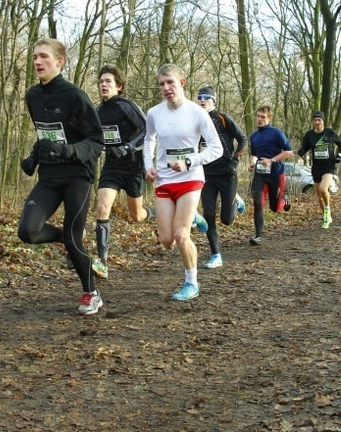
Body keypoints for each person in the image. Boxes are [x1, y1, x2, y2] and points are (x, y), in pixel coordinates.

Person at [17, 38, 105, 315]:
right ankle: (66, 240)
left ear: (60, 61)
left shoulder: (75, 96)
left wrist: (68, 151)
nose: (37, 62)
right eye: (34, 58)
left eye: (43, 56)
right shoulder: (32, 96)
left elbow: (97, 141)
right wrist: (34, 157)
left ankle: (91, 293)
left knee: (74, 236)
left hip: (78, 175)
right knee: (27, 231)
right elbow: (46, 134)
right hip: (49, 176)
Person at [144, 64, 222, 301]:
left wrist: (189, 161)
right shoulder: (154, 113)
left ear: (182, 82)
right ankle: (194, 217)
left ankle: (191, 283)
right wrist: (148, 164)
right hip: (165, 180)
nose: (166, 88)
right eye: (162, 84)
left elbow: (216, 149)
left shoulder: (197, 113)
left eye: (171, 82)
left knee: (180, 235)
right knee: (167, 240)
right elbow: (149, 139)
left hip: (190, 178)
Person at [94, 65, 155, 279]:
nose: (103, 84)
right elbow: (95, 138)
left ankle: (155, 212)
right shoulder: (98, 112)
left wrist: (128, 147)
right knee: (102, 208)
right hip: (111, 168)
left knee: (136, 216)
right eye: (101, 81)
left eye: (108, 81)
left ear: (119, 86)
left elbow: (148, 130)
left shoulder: (126, 106)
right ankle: (102, 262)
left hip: (133, 168)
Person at [196, 86, 248, 269]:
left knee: (227, 219)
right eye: (199, 97)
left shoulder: (222, 118)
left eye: (206, 97)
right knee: (208, 214)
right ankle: (215, 254)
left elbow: (242, 139)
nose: (202, 100)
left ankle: (236, 200)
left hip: (226, 173)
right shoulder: (194, 121)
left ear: (213, 100)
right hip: (206, 175)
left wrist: (234, 162)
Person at [248, 106, 293, 244]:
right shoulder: (254, 136)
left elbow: (289, 151)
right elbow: (254, 153)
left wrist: (272, 160)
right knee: (257, 202)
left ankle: (284, 200)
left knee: (274, 208)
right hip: (260, 174)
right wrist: (252, 162)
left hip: (276, 174)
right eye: (258, 116)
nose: (259, 119)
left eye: (263, 117)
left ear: (269, 118)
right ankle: (258, 235)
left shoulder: (276, 133)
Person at [297, 111, 341, 228]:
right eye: (315, 120)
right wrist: (301, 151)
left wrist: (339, 155)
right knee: (319, 195)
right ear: (313, 122)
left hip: (329, 165)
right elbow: (306, 147)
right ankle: (326, 215)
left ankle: (327, 211)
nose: (317, 122)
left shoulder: (329, 133)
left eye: (319, 120)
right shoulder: (309, 135)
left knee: (323, 189)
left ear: (323, 121)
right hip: (316, 166)